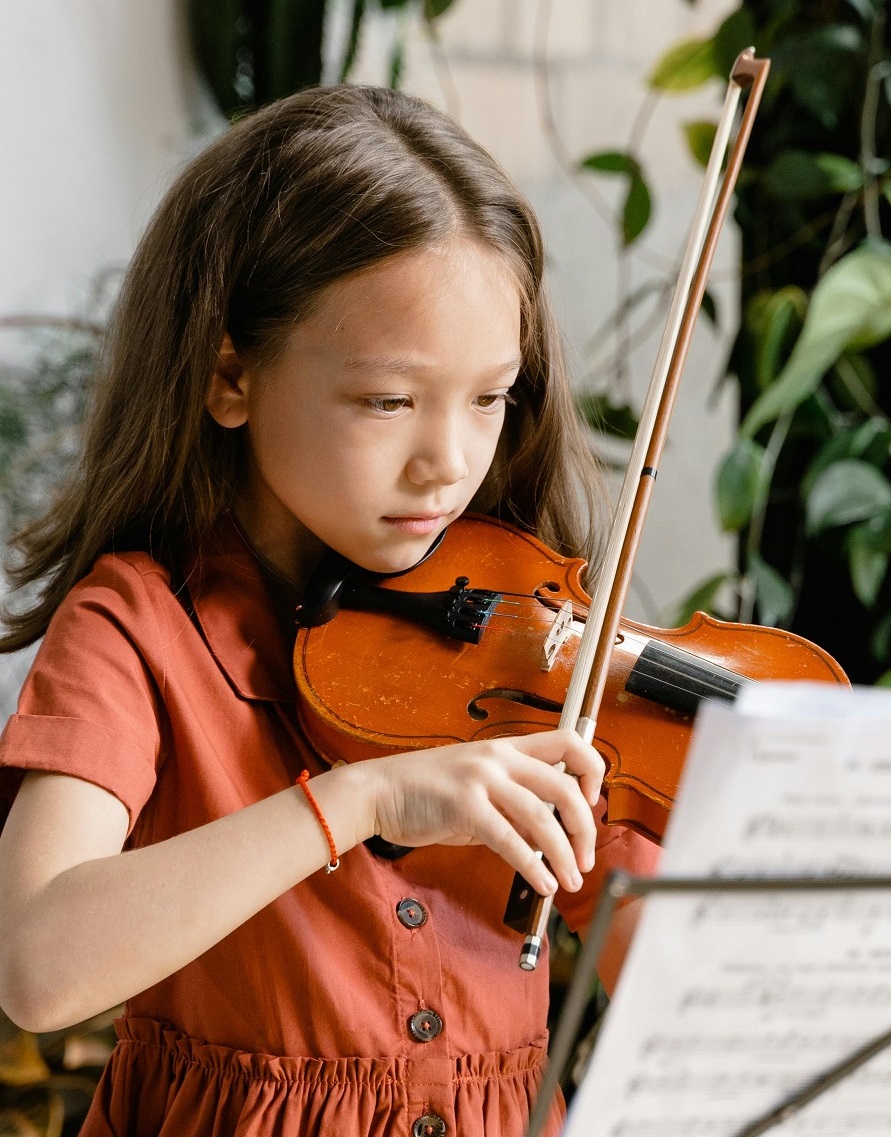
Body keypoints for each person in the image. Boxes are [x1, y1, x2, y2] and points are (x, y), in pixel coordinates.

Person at [0, 85, 658, 1136]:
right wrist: (358, 803)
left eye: (488, 397)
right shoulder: (134, 629)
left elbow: (665, 962)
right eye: (389, 400)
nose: (448, 459)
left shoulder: (526, 647)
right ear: (230, 375)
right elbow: (37, 968)